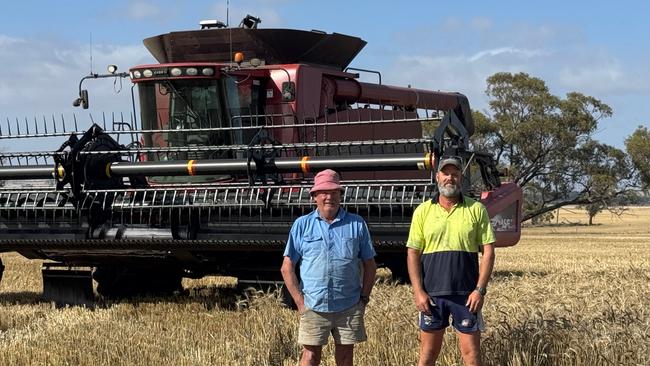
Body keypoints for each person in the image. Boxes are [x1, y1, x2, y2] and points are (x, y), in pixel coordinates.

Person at [281, 169, 377, 366]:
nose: (329, 197)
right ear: (314, 196)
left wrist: (363, 299)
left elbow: (370, 265)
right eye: (323, 192)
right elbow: (287, 266)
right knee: (310, 357)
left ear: (340, 195)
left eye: (334, 192)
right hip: (314, 305)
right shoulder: (302, 225)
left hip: (348, 305)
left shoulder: (357, 224)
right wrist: (300, 302)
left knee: (344, 358)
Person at [406, 157, 496, 366]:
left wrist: (480, 290)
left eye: (454, 174)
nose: (450, 178)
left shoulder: (476, 209)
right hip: (432, 296)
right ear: (437, 177)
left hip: (466, 296)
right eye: (445, 174)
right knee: (427, 355)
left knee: (471, 355)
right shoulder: (423, 211)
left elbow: (489, 252)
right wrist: (418, 292)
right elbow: (412, 253)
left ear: (460, 178)